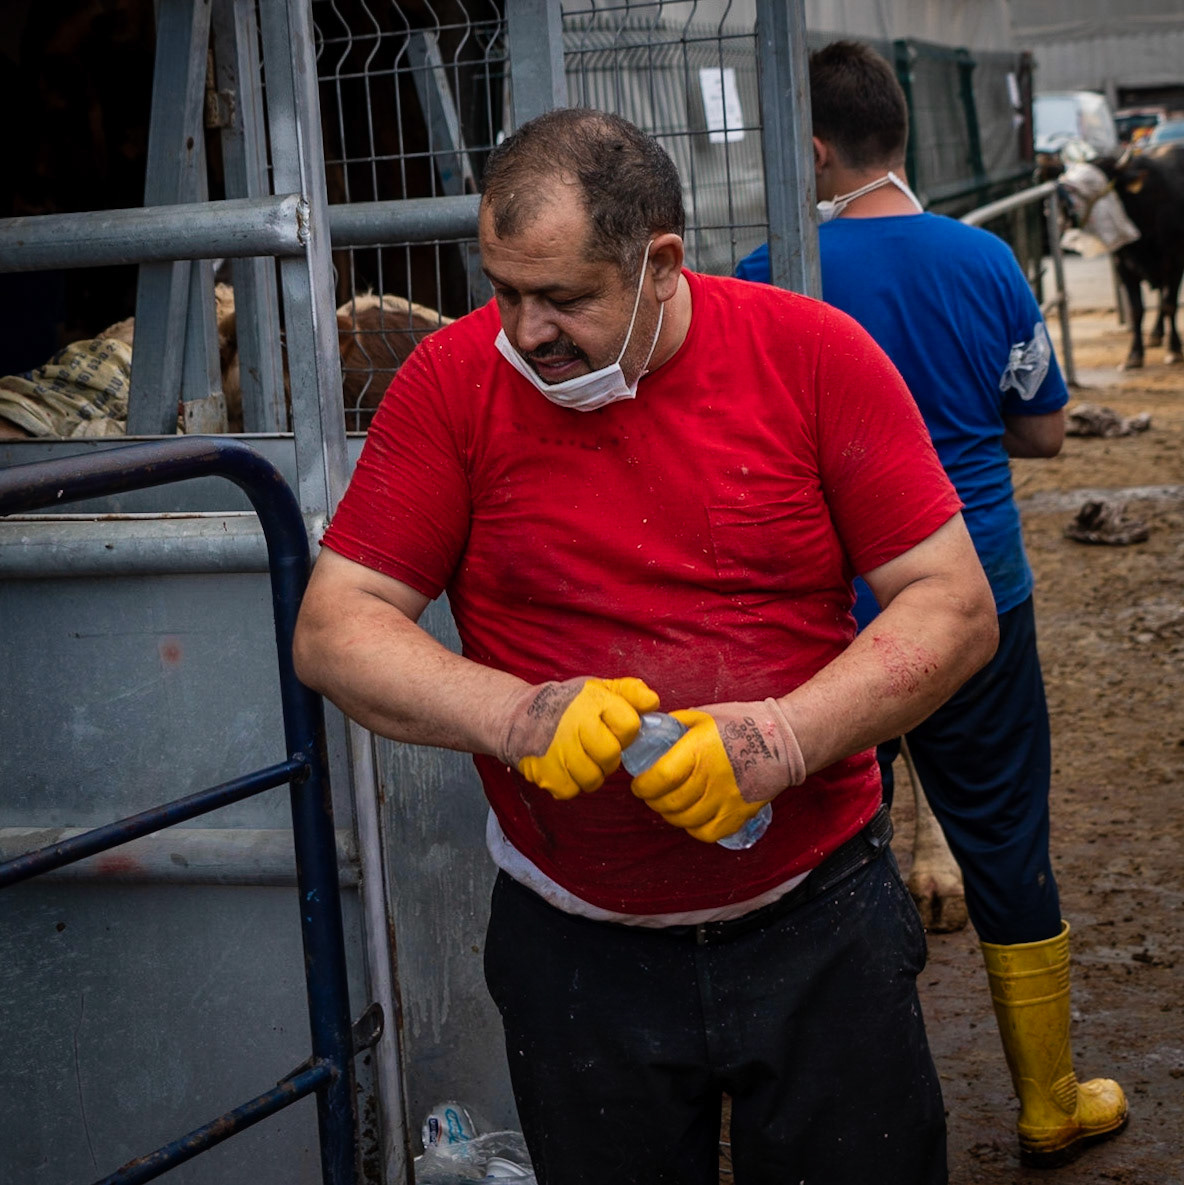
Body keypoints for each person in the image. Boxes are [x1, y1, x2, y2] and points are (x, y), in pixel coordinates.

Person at [294, 106, 999, 1184]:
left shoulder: (812, 355)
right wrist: (518, 715)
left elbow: (951, 604)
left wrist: (782, 735)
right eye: (503, 290)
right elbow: (338, 627)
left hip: (818, 921)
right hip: (573, 943)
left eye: (565, 297)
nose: (525, 330)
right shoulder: (449, 384)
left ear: (661, 261)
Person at [736, 40, 1128, 1168]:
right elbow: (1044, 428)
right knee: (1005, 834)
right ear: (898, 132)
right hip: (974, 600)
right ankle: (1050, 1099)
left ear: (812, 149)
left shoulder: (767, 279)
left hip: (829, 614)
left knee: (828, 851)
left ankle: (838, 1108)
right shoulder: (988, 262)